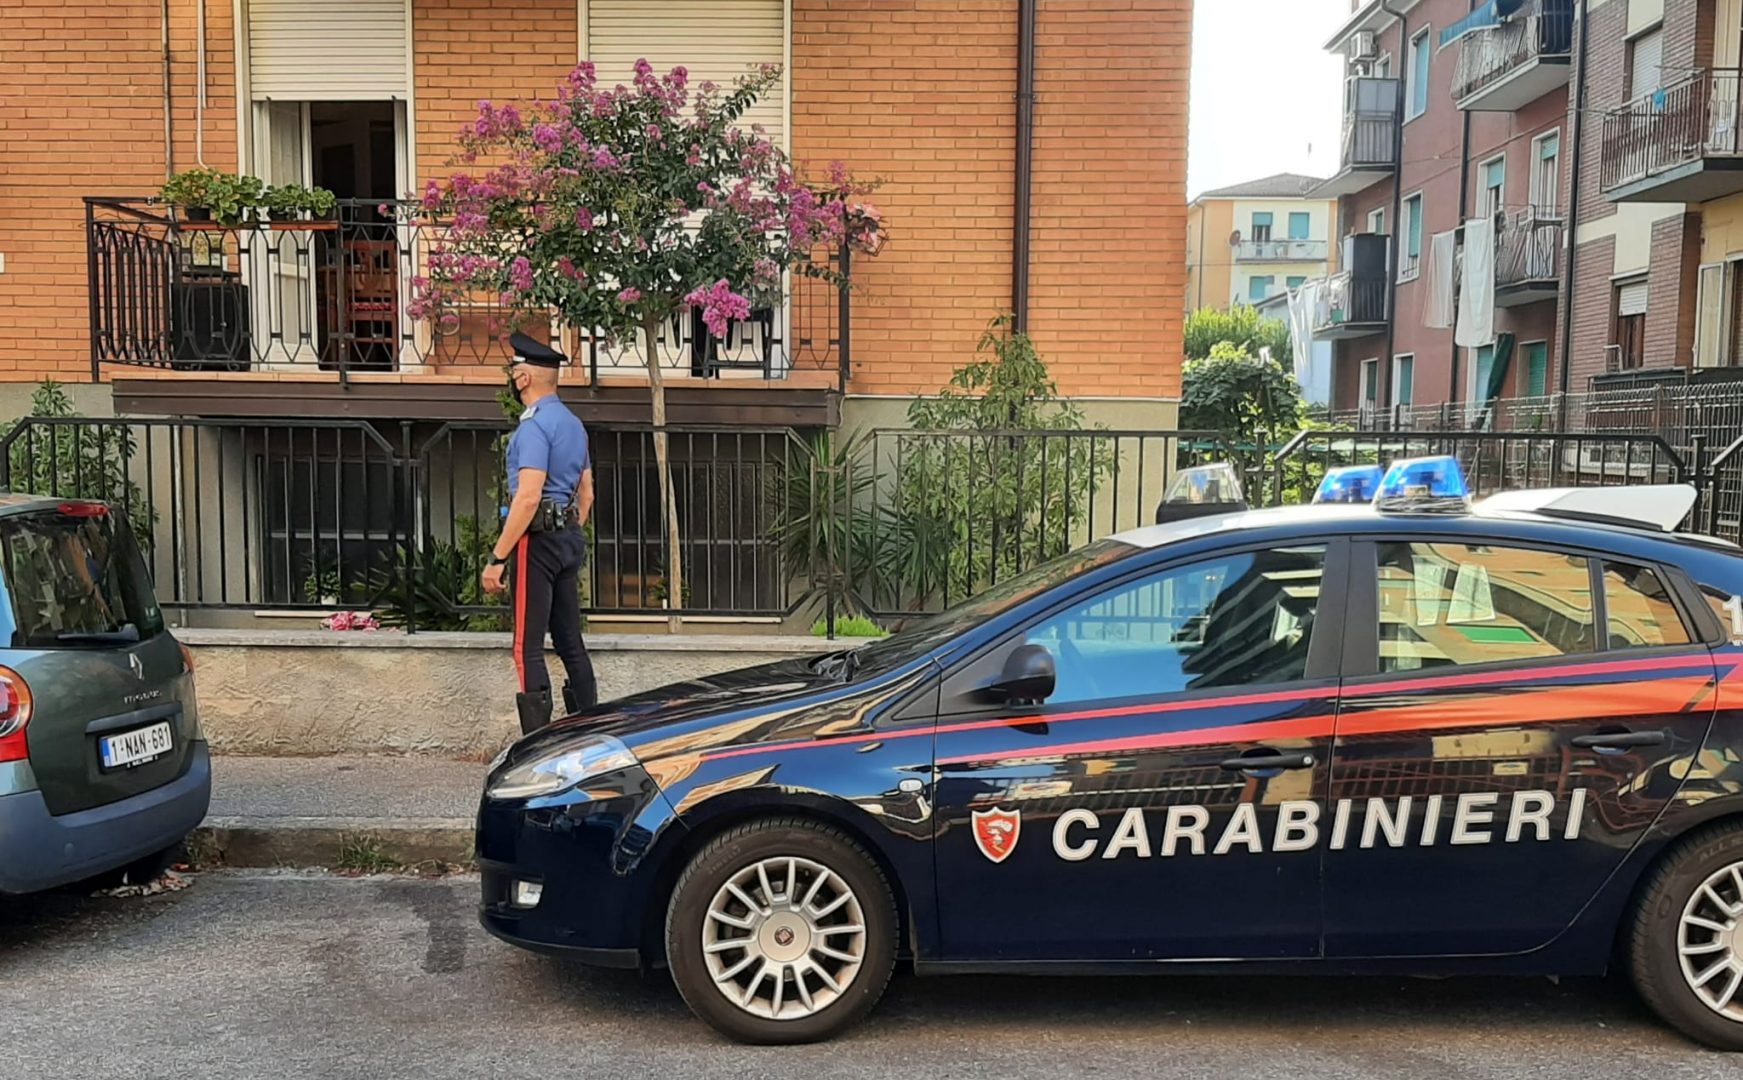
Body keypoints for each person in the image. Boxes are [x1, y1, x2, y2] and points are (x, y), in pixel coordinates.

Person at [481, 332, 598, 734]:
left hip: (537, 541)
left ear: (524, 378)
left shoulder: (533, 427)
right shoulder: (574, 425)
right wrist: (567, 528)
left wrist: (497, 558)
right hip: (568, 538)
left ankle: (536, 747)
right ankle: (590, 733)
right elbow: (587, 494)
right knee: (570, 643)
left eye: (515, 371)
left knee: (526, 648)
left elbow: (528, 497)